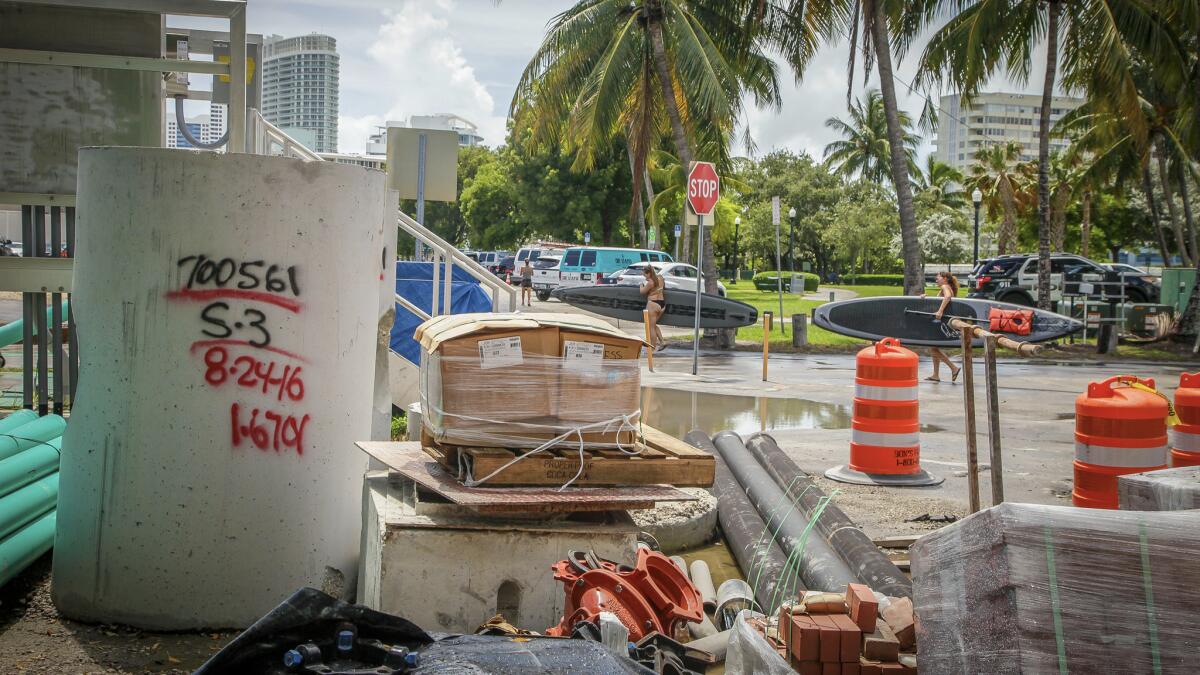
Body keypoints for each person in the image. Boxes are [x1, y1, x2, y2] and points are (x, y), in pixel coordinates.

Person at [926, 271, 961, 382]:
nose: (936, 279)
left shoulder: (945, 286)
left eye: (938, 277)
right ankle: (936, 375)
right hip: (942, 321)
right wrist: (926, 297)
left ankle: (954, 368)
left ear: (945, 279)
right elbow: (940, 300)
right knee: (934, 347)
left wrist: (940, 311)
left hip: (941, 321)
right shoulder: (946, 286)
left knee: (933, 348)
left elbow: (948, 297)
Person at [640, 264, 666, 352]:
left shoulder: (650, 283)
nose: (644, 277)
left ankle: (652, 348)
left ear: (649, 273)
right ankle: (662, 342)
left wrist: (641, 285)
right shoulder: (660, 278)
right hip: (662, 304)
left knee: (650, 327)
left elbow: (642, 292)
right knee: (653, 325)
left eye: (645, 275)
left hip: (653, 305)